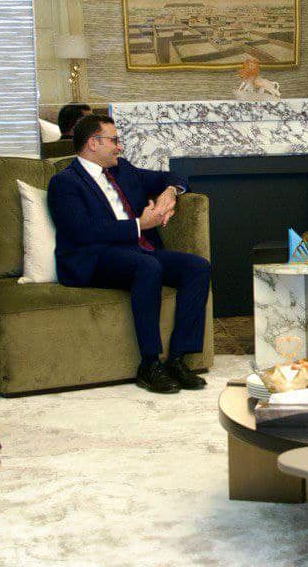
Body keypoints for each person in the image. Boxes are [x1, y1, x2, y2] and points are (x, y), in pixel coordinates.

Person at [46, 115, 210, 394]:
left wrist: (171, 191)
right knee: (147, 267)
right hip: (94, 258)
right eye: (114, 140)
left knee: (197, 267)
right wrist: (139, 225)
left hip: (136, 252)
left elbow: (171, 176)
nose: (119, 147)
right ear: (93, 143)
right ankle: (149, 364)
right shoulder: (64, 182)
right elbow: (82, 231)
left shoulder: (123, 170)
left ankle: (178, 359)